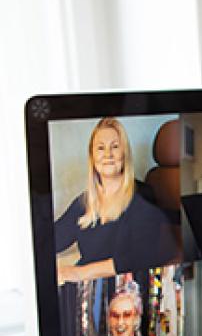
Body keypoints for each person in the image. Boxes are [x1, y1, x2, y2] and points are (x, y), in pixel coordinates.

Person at [54, 117, 180, 283]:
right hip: (87, 286)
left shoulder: (142, 196)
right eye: (100, 148)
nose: (108, 154)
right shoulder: (83, 202)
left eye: (115, 146)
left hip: (124, 289)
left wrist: (80, 273)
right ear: (92, 157)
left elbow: (141, 256)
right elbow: (54, 239)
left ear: (124, 154)